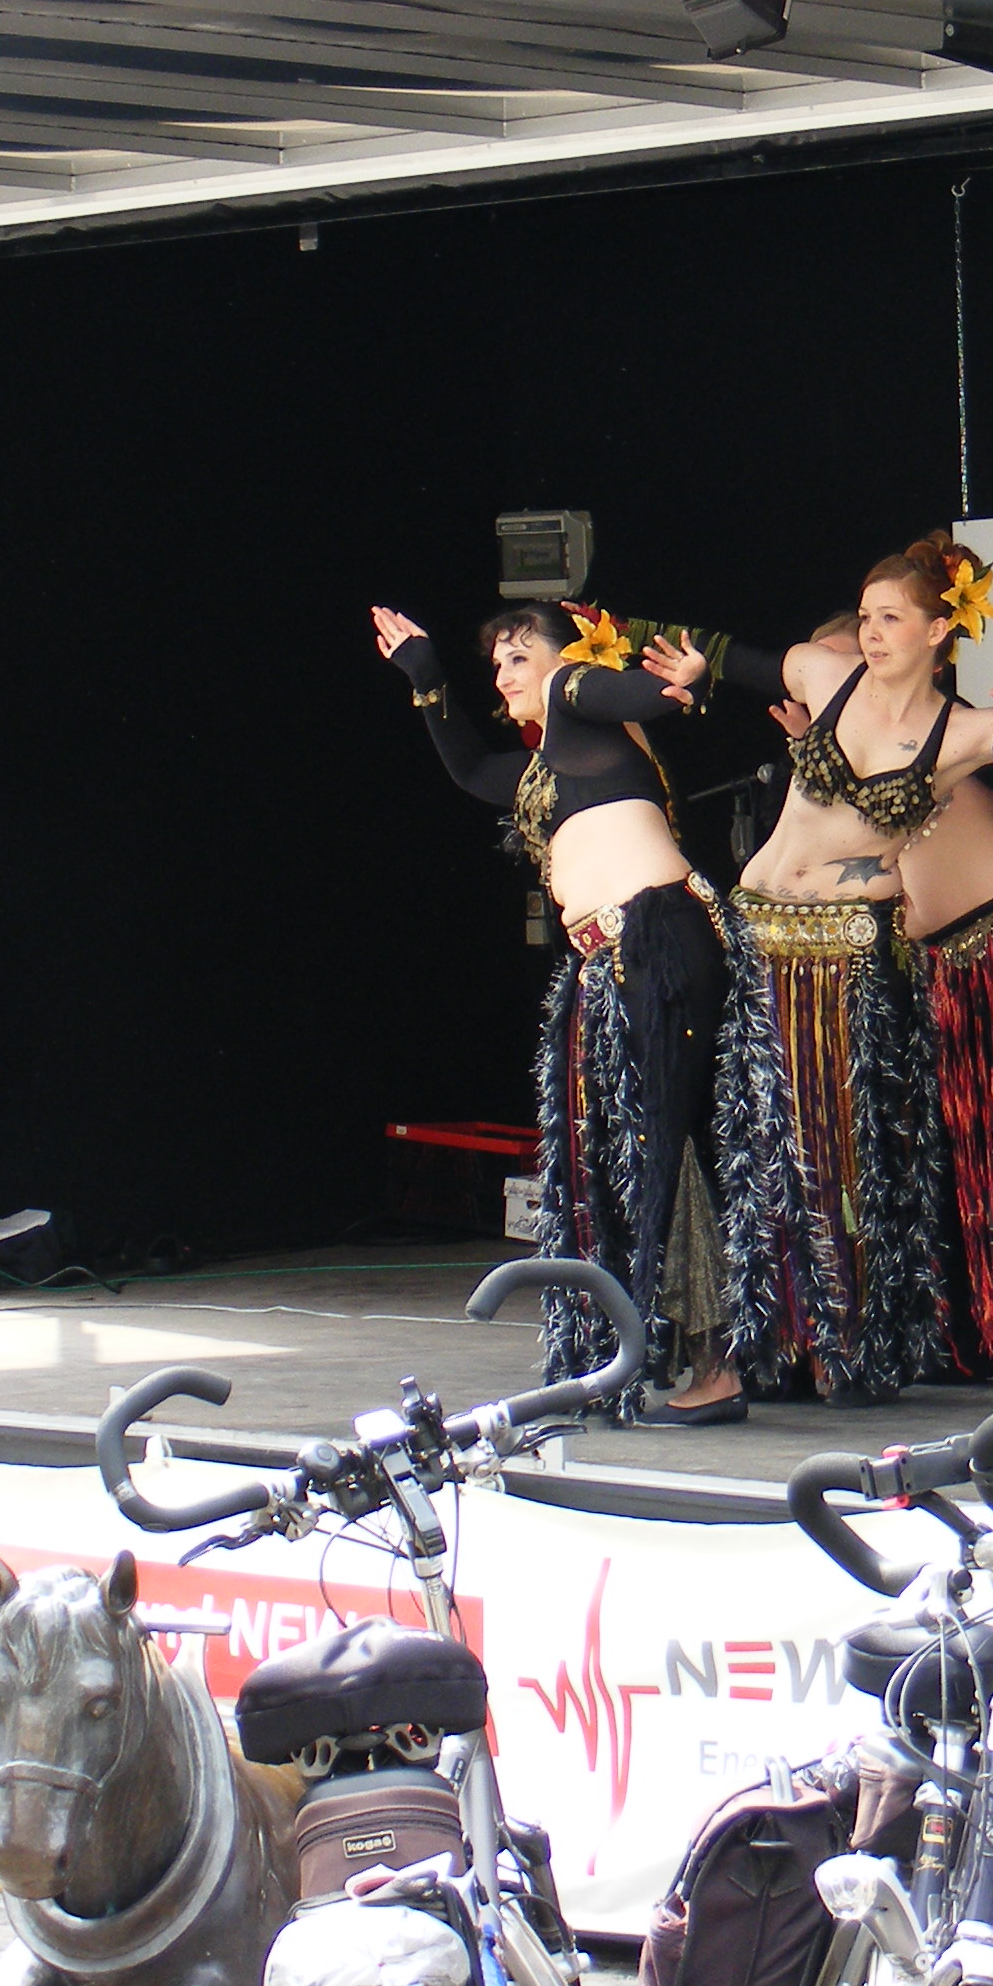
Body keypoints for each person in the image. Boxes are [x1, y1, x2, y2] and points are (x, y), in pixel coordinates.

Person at [643, 532, 993, 1406]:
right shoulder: (831, 690)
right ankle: (863, 1345)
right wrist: (628, 649)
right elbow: (715, 650)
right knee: (855, 1151)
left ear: (938, 631)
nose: (868, 636)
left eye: (889, 619)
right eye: (863, 618)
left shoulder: (958, 732)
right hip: (828, 945)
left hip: (983, 941)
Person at [725, 617, 993, 1399]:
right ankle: (949, 1344)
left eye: (857, 651)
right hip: (935, 963)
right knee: (932, 1153)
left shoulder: (939, 729)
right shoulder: (835, 746)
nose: (848, 671)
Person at [372, 600, 745, 1422]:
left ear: (563, 657)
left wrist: (678, 685)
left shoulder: (576, 694)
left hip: (655, 943)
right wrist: (427, 678)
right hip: (615, 963)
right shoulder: (551, 766)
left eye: (519, 657)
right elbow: (472, 771)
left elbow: (626, 693)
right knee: (635, 1149)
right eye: (496, 665)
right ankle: (669, 1353)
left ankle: (713, 1364)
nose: (506, 676)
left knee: (662, 1143)